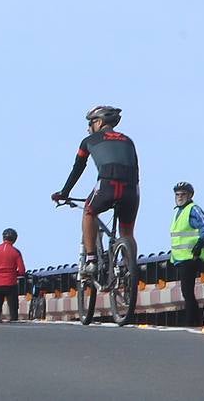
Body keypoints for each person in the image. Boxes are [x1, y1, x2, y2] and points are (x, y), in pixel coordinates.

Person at [50, 105, 139, 279]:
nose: (88, 128)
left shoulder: (88, 141)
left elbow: (78, 167)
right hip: (132, 189)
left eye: (90, 123)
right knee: (127, 233)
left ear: (98, 122)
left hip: (108, 185)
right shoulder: (128, 140)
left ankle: (91, 261)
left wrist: (64, 192)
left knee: (89, 212)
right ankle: (131, 270)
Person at [170, 181, 204, 327]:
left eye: (183, 194)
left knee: (187, 291)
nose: (180, 197)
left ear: (190, 195)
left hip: (191, 257)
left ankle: (191, 322)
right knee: (187, 291)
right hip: (181, 258)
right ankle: (194, 321)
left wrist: (199, 245)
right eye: (177, 194)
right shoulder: (179, 212)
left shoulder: (192, 209)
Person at [0, 228, 27, 322]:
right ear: (14, 239)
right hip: (11, 283)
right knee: (13, 311)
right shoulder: (15, 252)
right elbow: (22, 271)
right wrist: (13, 273)